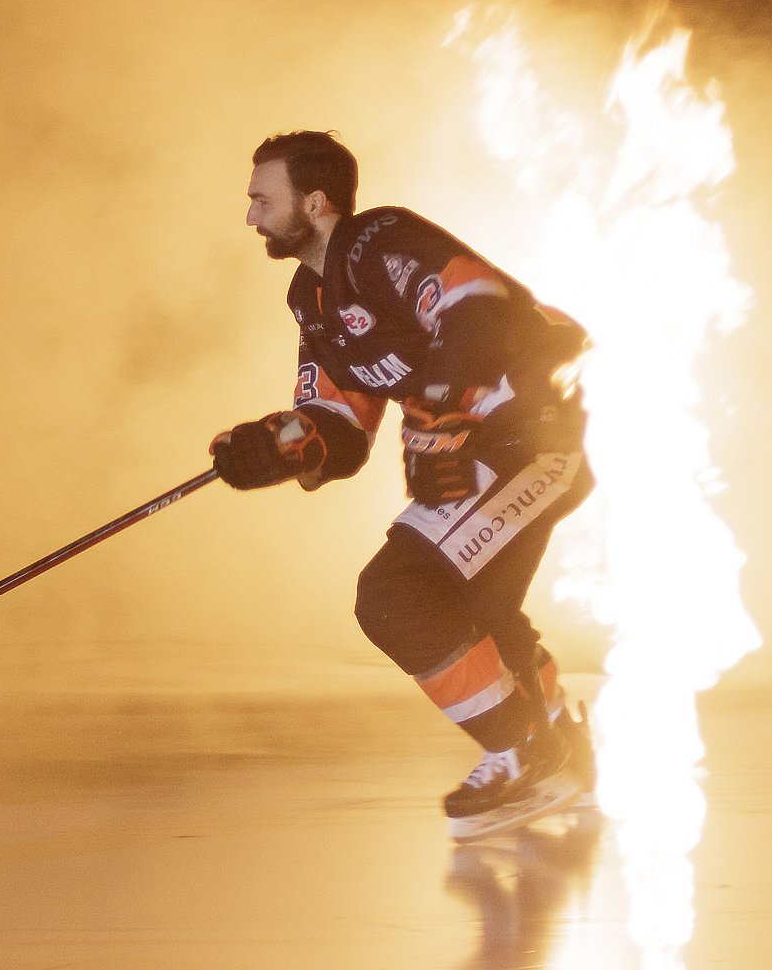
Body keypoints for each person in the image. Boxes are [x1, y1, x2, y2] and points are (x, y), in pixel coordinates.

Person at [211, 130, 596, 840]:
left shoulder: (379, 239)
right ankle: (555, 745)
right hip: (481, 460)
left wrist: (435, 415)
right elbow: (340, 424)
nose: (251, 216)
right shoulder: (311, 298)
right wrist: (275, 448)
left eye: (262, 199)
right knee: (475, 611)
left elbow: (477, 300)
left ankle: (530, 758)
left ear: (316, 201)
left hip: (530, 442)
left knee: (398, 595)